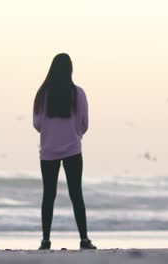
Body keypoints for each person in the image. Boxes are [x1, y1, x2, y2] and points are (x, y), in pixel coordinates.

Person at [33, 53, 97, 250]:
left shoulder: (42, 94)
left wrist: (52, 134)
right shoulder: (78, 94)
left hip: (48, 151)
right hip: (72, 150)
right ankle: (84, 239)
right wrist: (73, 134)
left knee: (48, 195)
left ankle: (45, 241)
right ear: (70, 70)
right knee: (76, 194)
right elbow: (85, 124)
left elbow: (37, 124)